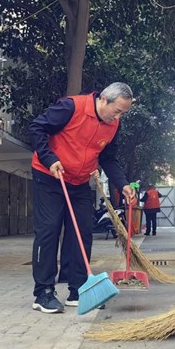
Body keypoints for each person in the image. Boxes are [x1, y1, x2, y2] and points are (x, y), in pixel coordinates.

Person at [28, 82, 136, 314]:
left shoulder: (112, 125)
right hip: (49, 176)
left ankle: (78, 289)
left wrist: (123, 184)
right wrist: (49, 159)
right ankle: (43, 292)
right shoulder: (71, 107)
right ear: (103, 100)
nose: (117, 117)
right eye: (117, 110)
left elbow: (108, 158)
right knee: (49, 230)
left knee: (82, 232)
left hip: (78, 182)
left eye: (123, 113)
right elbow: (37, 128)